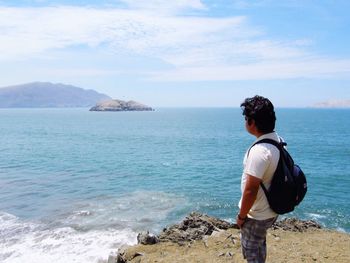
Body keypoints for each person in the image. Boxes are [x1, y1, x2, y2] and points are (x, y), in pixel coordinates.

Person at [237, 95, 279, 263]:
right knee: (259, 244)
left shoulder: (259, 152)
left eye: (246, 118)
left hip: (257, 215)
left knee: (252, 252)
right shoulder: (277, 141)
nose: (245, 121)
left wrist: (241, 216)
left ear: (252, 122)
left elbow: (251, 190)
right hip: (270, 210)